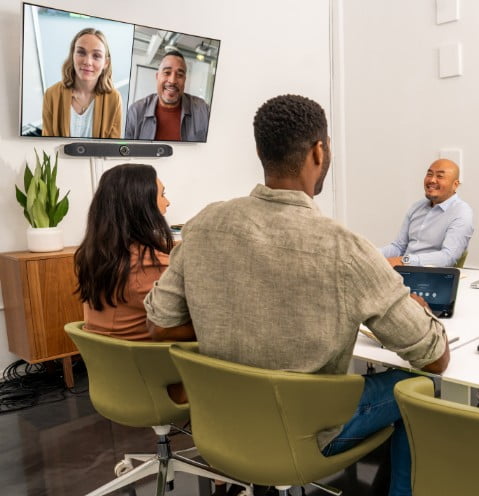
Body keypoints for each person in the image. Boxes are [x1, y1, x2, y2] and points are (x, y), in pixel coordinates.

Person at [144, 94, 449, 496]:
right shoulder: (346, 249)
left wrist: (233, 320)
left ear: (260, 151)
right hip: (307, 435)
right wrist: (413, 306)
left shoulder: (203, 225)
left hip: (220, 422)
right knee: (418, 387)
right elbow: (434, 358)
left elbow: (159, 325)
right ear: (319, 152)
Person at [74, 164, 172, 340]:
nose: (168, 202)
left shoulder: (98, 254)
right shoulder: (148, 264)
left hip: (106, 355)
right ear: (141, 204)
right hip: (148, 355)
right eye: (162, 195)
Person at [380, 159, 473, 267]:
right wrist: (371, 254)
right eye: (429, 174)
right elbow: (399, 247)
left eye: (440, 176)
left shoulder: (461, 212)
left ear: (455, 185)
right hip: (403, 270)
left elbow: (448, 257)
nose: (432, 180)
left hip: (430, 274)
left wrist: (405, 261)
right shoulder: (417, 207)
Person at [42, 28, 122, 138]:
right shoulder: (51, 94)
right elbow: (46, 143)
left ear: (106, 63)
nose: (87, 62)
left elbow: (113, 146)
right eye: (81, 52)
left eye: (96, 56)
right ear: (72, 55)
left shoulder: (114, 99)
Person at [125, 50, 210, 141]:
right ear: (157, 76)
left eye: (180, 75)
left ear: (184, 80)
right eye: (167, 72)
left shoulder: (203, 111)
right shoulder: (135, 111)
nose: (172, 81)